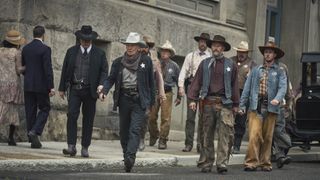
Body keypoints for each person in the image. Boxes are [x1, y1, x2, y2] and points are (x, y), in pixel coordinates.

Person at [101, 32, 155, 172]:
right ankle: (126, 155)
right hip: (124, 99)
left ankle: (130, 157)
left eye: (133, 45)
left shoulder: (146, 61)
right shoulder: (118, 62)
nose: (130, 47)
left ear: (138, 47)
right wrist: (104, 91)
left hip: (139, 100)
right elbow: (110, 79)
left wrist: (151, 103)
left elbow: (151, 83)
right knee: (124, 131)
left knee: (135, 129)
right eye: (128, 45)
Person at [188, 35, 239, 174]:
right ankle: (206, 162)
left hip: (225, 104)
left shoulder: (230, 65)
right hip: (208, 102)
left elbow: (235, 85)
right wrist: (192, 99)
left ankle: (222, 163)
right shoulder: (205, 63)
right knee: (206, 134)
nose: (216, 48)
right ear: (212, 47)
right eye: (214, 45)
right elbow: (196, 82)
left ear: (223, 48)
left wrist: (236, 104)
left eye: (219, 46)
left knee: (225, 135)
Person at [59, 25, 108, 157]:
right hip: (75, 88)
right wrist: (62, 88)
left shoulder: (100, 53)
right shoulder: (71, 51)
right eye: (83, 40)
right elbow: (65, 70)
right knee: (72, 115)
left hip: (90, 90)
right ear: (79, 39)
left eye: (88, 40)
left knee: (88, 119)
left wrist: (101, 86)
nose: (86, 42)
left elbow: (104, 72)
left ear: (91, 40)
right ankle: (71, 146)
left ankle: (85, 147)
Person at [239, 41, 287, 172]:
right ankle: (251, 163)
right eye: (266, 52)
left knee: (267, 137)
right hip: (256, 106)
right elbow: (247, 89)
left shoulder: (280, 71)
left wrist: (277, 99)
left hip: (271, 108)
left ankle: (265, 163)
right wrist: (242, 105)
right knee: (254, 135)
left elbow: (283, 87)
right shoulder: (255, 70)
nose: (267, 54)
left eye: (270, 52)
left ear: (275, 55)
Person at [22, 26, 55, 148]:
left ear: (33, 34)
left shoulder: (26, 48)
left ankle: (31, 137)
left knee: (30, 110)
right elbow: (47, 69)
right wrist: (51, 86)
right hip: (41, 85)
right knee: (45, 108)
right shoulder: (45, 49)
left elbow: (24, 67)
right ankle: (34, 131)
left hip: (28, 84)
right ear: (43, 35)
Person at [178, 33, 211, 152]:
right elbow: (183, 72)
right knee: (190, 118)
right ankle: (188, 143)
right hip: (192, 88)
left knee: (203, 118)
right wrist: (181, 87)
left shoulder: (210, 58)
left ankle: (200, 144)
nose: (202, 43)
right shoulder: (190, 56)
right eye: (201, 41)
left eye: (205, 42)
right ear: (198, 43)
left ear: (207, 44)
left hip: (205, 90)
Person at [148, 40, 181, 150]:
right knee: (151, 116)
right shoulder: (155, 63)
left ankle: (163, 139)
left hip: (167, 92)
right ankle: (154, 134)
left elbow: (178, 81)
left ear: (170, 53)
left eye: (167, 52)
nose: (164, 53)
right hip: (155, 92)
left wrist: (179, 96)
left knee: (165, 118)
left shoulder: (174, 66)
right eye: (163, 51)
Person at [138, 35, 166, 151]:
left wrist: (161, 93)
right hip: (135, 90)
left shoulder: (154, 59)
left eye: (148, 46)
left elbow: (159, 76)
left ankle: (141, 139)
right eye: (143, 46)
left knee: (146, 116)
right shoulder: (135, 56)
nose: (145, 48)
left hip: (149, 90)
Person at [230, 41, 257, 154]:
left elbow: (254, 82)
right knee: (228, 120)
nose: (241, 54)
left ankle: (236, 145)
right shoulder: (231, 60)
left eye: (244, 52)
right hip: (230, 93)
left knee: (240, 121)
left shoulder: (252, 64)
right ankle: (228, 144)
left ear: (247, 53)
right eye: (239, 51)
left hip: (243, 95)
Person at [0, 30, 25, 146]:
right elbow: (18, 69)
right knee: (13, 110)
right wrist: (27, 67)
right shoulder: (17, 52)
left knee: (1, 107)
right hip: (13, 84)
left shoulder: (0, 51)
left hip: (1, 83)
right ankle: (11, 138)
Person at [272, 60, 293, 168]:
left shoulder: (283, 68)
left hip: (281, 106)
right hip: (268, 105)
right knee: (274, 132)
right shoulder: (264, 68)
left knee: (278, 130)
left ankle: (280, 155)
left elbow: (288, 92)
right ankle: (280, 156)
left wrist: (289, 106)